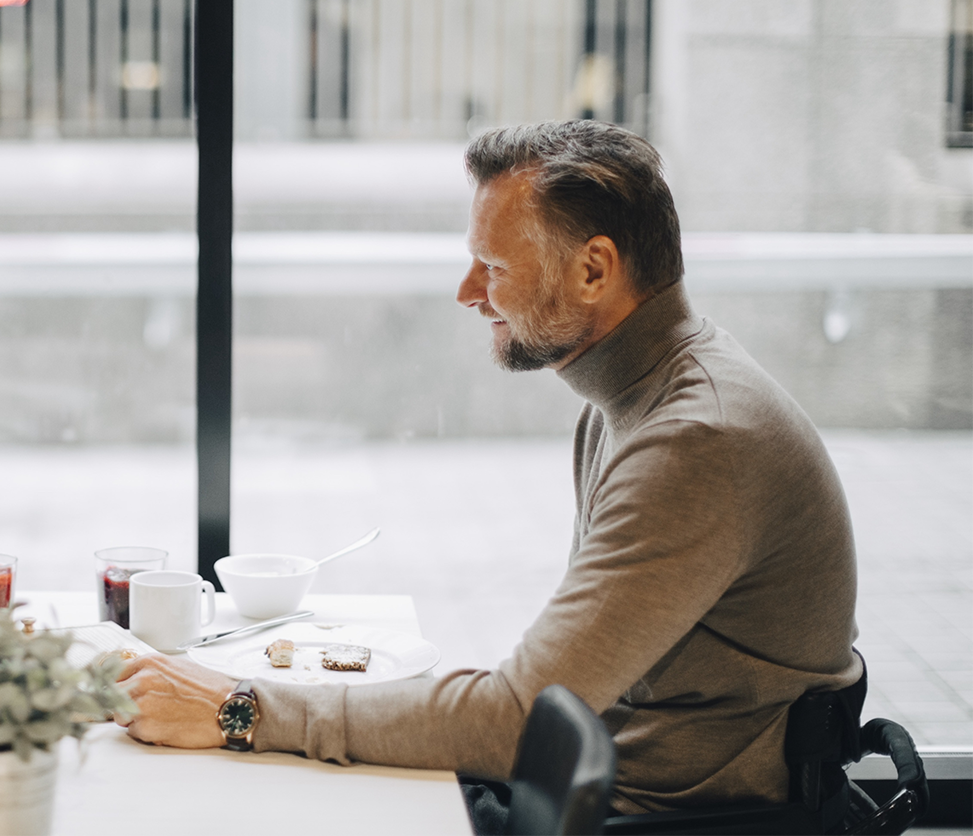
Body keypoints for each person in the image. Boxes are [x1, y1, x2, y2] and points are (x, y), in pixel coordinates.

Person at [114, 120, 862, 822]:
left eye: (494, 265)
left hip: (633, 819)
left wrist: (241, 708)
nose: (468, 291)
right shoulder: (643, 395)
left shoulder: (697, 442)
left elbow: (515, 722)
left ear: (594, 270)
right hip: (587, 785)